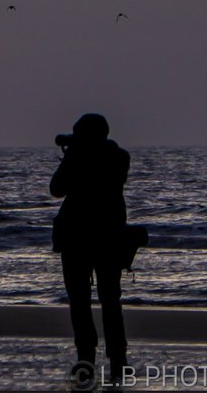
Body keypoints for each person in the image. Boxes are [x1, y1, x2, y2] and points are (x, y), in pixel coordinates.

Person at [50, 113, 130, 388]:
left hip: (78, 238)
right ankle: (118, 359)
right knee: (111, 300)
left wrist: (72, 155)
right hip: (109, 236)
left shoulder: (80, 157)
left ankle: (86, 358)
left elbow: (56, 188)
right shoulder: (119, 156)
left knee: (80, 303)